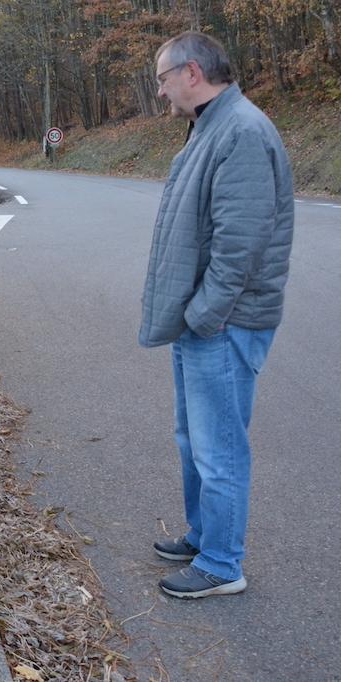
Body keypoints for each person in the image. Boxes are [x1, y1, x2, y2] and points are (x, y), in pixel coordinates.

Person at [139, 31, 294, 599]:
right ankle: (204, 536)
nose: (160, 92)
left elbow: (240, 245)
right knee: (192, 437)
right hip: (203, 321)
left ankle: (223, 564)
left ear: (191, 74)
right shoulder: (213, 125)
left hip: (224, 324)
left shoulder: (243, 131)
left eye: (162, 78)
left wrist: (205, 315)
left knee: (218, 446)